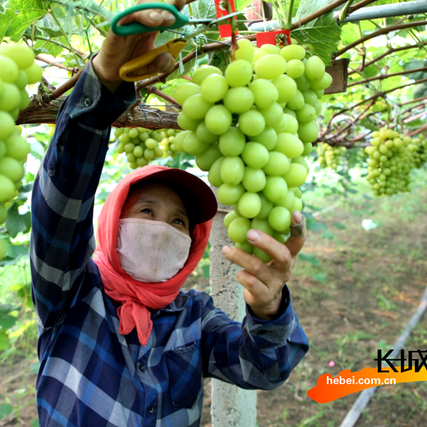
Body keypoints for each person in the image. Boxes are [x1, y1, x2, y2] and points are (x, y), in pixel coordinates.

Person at [30, 1, 310, 425]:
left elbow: (264, 368)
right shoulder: (71, 293)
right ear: (113, 223)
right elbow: (62, 205)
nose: (162, 228)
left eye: (179, 221)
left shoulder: (195, 316)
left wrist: (269, 312)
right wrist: (101, 90)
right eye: (145, 210)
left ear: (193, 242)